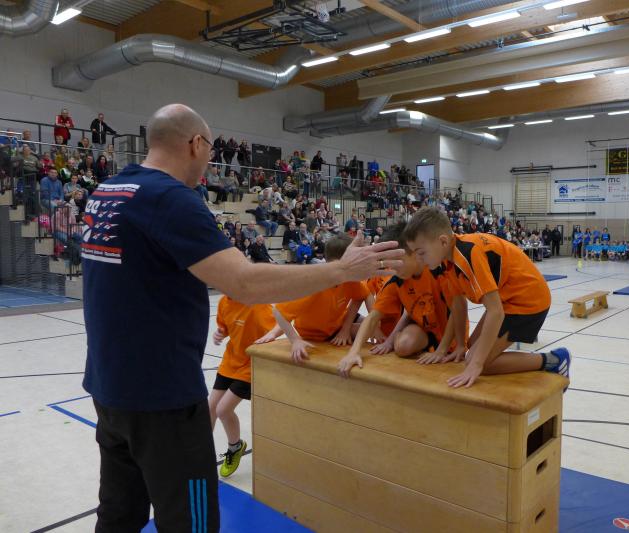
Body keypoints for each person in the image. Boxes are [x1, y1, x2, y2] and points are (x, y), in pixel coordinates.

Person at [81, 103, 403, 533]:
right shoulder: (171, 199)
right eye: (210, 150)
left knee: (118, 515)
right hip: (162, 399)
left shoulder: (108, 191)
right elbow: (245, 283)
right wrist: (341, 271)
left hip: (108, 389)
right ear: (196, 144)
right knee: (193, 523)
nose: (210, 160)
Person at [404, 207, 571, 389]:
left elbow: (495, 312)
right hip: (506, 300)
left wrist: (477, 364)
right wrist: (450, 347)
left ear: (443, 241)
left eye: (421, 253)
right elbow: (458, 304)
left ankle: (554, 359)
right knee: (471, 347)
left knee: (479, 363)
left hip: (528, 300)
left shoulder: (468, 254)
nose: (419, 259)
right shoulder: (446, 259)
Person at [338, 223, 467, 376]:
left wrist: (442, 349)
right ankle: (413, 343)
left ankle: (434, 347)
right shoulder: (397, 280)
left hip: (452, 336)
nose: (393, 268)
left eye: (397, 261)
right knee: (403, 347)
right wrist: (353, 352)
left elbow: (458, 310)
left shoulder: (439, 270)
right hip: (425, 333)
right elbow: (372, 317)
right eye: (389, 264)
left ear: (415, 252)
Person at [257, 235, 370, 352]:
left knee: (373, 325)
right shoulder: (315, 285)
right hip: (320, 333)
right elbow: (279, 312)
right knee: (369, 329)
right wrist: (295, 340)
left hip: (338, 319)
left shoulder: (349, 278)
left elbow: (360, 297)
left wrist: (345, 328)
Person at [210, 295, 275, 478]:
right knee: (210, 408)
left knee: (223, 410)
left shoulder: (258, 306)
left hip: (250, 364)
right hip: (231, 361)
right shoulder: (224, 302)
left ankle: (235, 447)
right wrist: (220, 333)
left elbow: (276, 330)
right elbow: (225, 326)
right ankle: (202, 455)